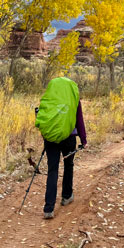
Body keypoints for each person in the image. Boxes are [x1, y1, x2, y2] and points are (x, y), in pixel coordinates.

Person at [34, 76, 87, 219]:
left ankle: (48, 208)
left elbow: (41, 117)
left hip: (51, 139)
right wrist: (83, 139)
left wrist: (46, 135)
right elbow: (79, 119)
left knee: (53, 170)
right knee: (68, 165)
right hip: (69, 138)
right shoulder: (74, 99)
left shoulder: (48, 99)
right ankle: (66, 196)